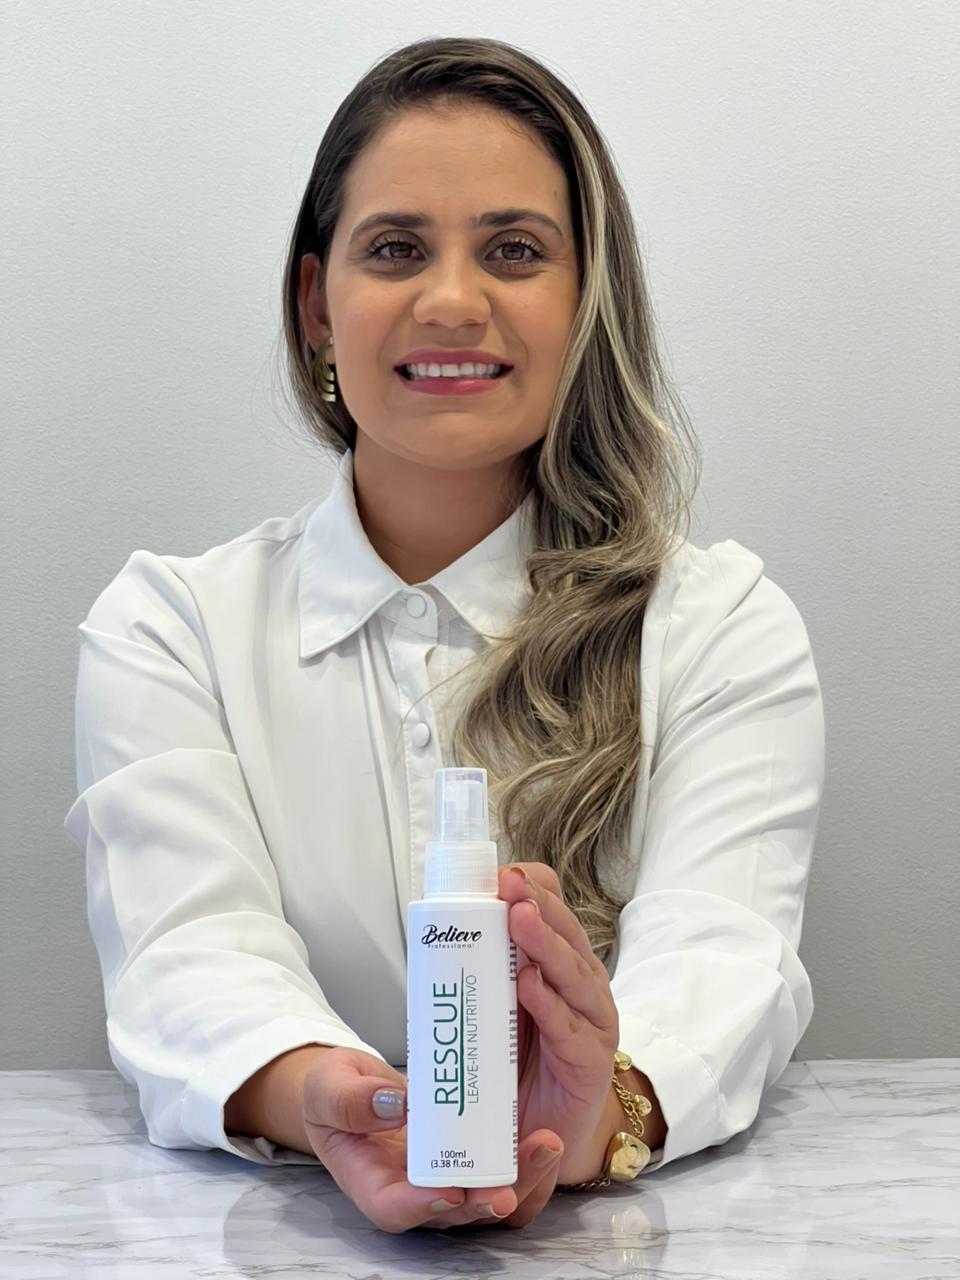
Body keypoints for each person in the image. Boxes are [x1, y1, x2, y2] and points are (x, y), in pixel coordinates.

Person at [63, 37, 825, 1235]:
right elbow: (188, 952)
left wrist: (595, 1112)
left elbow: (723, 955)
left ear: (585, 300)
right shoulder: (171, 629)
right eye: (395, 248)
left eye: (515, 249)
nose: (454, 300)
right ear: (317, 305)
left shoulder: (721, 625)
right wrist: (330, 1101)